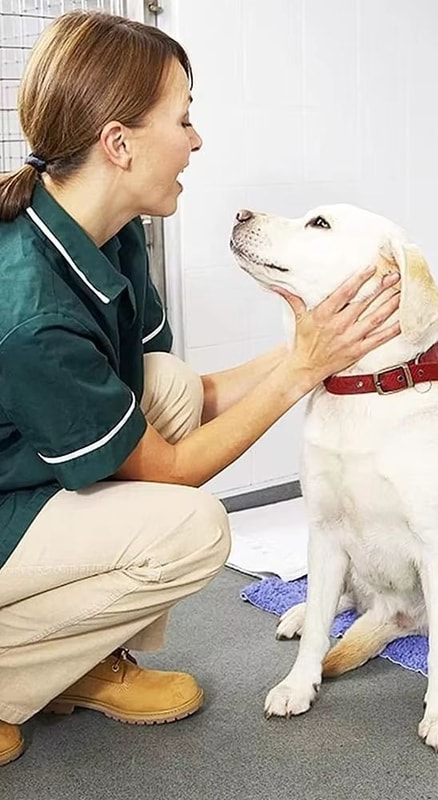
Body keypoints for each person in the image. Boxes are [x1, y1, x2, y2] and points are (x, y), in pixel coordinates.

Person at [0, 11, 401, 766]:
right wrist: (302, 370)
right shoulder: (30, 310)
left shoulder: (105, 226)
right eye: (183, 119)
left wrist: (311, 343)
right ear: (118, 144)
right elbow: (171, 472)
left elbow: (183, 407)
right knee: (193, 529)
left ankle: (83, 663)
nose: (196, 139)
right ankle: (17, 673)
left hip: (19, 471)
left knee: (169, 385)